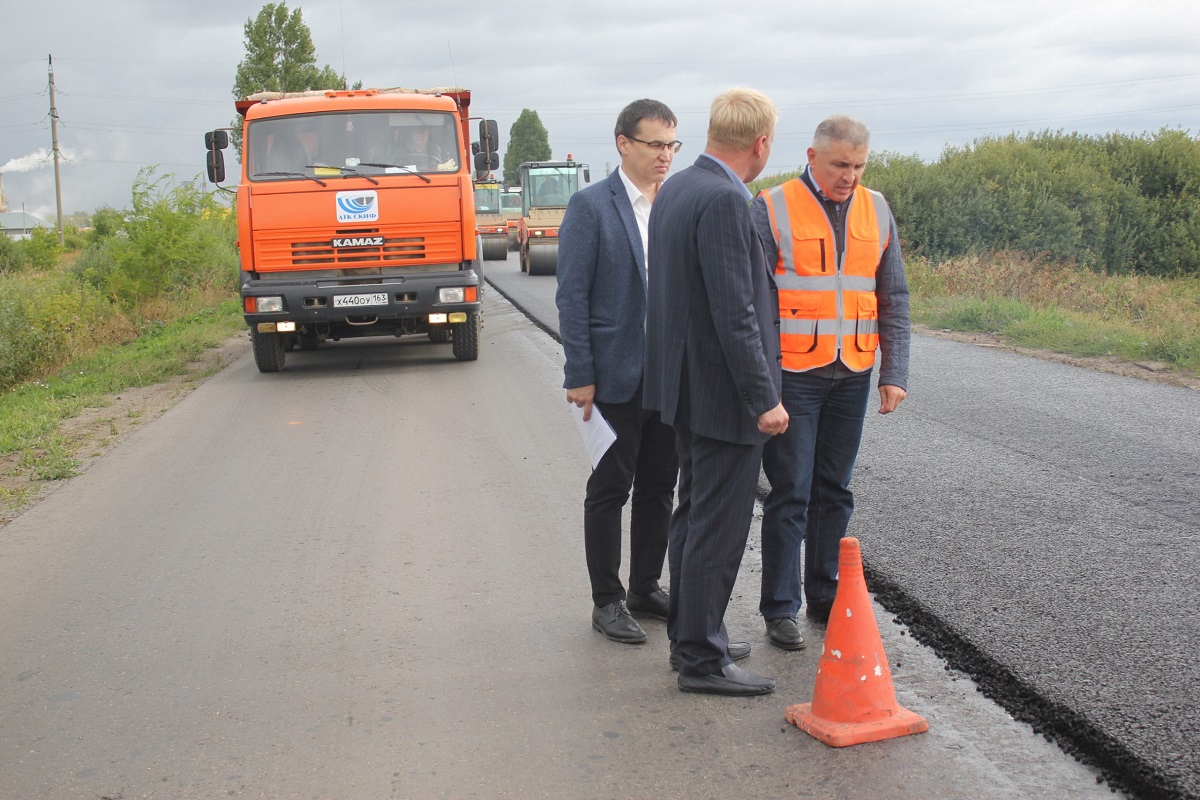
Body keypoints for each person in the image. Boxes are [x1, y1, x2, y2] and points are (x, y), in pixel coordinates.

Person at [643, 87, 787, 696]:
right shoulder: (728, 200)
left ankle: (692, 636)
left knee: (692, 516)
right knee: (717, 529)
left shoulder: (678, 187)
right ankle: (701, 659)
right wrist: (765, 399)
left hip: (684, 387)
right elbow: (737, 314)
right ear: (761, 143)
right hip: (723, 397)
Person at [750, 115, 911, 648]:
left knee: (834, 490)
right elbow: (750, 301)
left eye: (860, 165)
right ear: (813, 157)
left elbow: (894, 296)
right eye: (841, 164)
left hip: (854, 373)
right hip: (794, 375)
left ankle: (824, 593)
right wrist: (761, 381)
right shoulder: (771, 207)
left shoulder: (877, 208)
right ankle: (780, 608)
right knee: (791, 491)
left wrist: (895, 373)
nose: (851, 176)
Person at [556, 99, 681, 646]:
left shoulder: (676, 202)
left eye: (672, 145)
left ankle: (644, 587)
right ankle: (606, 600)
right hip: (612, 375)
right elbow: (571, 294)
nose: (665, 156)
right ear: (623, 143)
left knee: (660, 487)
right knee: (611, 488)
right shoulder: (591, 207)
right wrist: (579, 371)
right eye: (655, 144)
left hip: (669, 375)